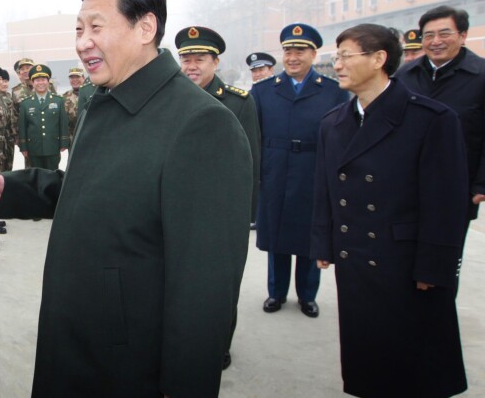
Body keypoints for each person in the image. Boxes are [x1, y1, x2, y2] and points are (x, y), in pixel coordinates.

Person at [0, 0, 252, 397]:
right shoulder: (103, 101)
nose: (82, 43)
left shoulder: (202, 125)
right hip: (75, 337)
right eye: (78, 29)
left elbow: (204, 291)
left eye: (96, 27)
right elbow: (96, 193)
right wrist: (15, 188)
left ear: (145, 27)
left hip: (127, 362)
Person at [312, 23, 468, 397]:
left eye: (347, 55)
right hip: (356, 259)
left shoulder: (431, 119)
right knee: (368, 357)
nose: (338, 65)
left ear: (380, 58)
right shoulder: (333, 123)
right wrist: (323, 242)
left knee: (414, 363)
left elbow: (446, 203)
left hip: (406, 260)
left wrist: (434, 264)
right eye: (337, 57)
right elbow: (325, 189)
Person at [175, 25, 260, 370]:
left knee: (221, 284)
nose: (191, 66)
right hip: (180, 207)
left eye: (198, 59)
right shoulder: (173, 97)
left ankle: (219, 344)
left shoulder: (238, 101)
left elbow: (252, 162)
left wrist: (245, 216)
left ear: (215, 61)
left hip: (222, 212)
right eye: (186, 59)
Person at [251, 23, 348, 318]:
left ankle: (307, 295)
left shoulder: (332, 91)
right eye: (287, 51)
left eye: (300, 51)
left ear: (313, 54)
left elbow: (341, 137)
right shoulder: (264, 90)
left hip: (312, 171)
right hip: (275, 170)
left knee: (310, 237)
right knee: (276, 237)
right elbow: (254, 136)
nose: (292, 57)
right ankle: (276, 293)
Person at [396, 5, 485, 223]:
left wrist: (482, 183)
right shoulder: (405, 75)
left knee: (445, 251)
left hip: (458, 181)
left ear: (463, 36)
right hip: (406, 182)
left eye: (444, 34)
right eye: (429, 35)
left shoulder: (481, 75)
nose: (436, 41)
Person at [17, 64, 69, 170]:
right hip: (33, 147)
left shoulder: (58, 100)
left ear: (48, 81)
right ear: (32, 82)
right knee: (35, 176)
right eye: (37, 80)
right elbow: (22, 126)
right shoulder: (25, 103)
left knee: (53, 174)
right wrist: (23, 146)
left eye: (43, 80)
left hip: (52, 145)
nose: (40, 83)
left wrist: (64, 142)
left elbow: (63, 123)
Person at [63, 66, 85, 145]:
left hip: (89, 137)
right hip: (73, 140)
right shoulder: (65, 97)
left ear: (83, 78)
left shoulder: (90, 93)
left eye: (77, 77)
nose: (75, 80)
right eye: (72, 78)